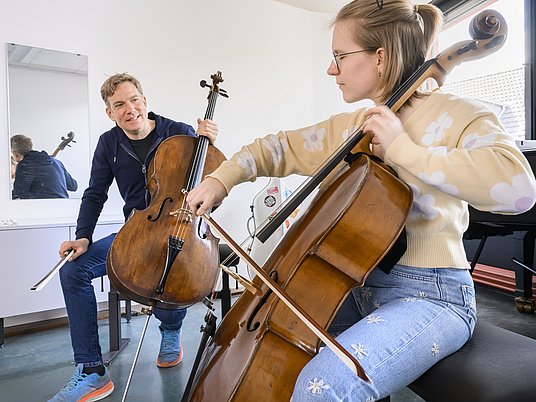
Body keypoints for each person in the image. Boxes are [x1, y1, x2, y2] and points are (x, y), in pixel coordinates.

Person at [186, 1, 536, 400]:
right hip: (358, 288)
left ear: (380, 57)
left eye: (339, 56)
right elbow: (276, 148)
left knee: (327, 386)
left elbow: (519, 190)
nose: (331, 69)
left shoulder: (458, 114)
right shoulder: (356, 126)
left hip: (435, 297)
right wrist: (219, 179)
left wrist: (404, 149)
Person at [48, 73, 218, 402]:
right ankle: (92, 371)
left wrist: (208, 143)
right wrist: (82, 237)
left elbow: (212, 182)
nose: (130, 108)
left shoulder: (180, 133)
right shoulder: (108, 144)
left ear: (145, 100)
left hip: (179, 225)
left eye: (134, 99)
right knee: (73, 270)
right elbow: (95, 193)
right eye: (119, 105)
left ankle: (170, 331)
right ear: (110, 113)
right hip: (135, 231)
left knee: (173, 266)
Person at [10, 134, 78, 199]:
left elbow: (19, 193)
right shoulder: (57, 162)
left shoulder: (25, 164)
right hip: (64, 206)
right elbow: (73, 186)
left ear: (15, 153)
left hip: (42, 207)